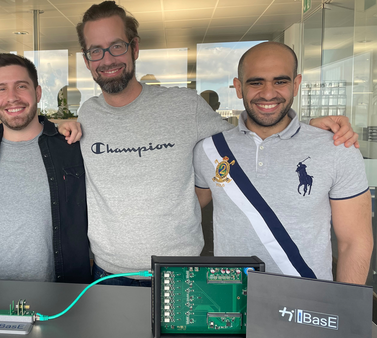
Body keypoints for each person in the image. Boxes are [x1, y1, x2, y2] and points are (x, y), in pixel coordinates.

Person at [65, 0, 359, 286]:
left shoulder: (184, 106)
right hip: (108, 273)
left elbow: (247, 137)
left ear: (135, 47)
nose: (107, 58)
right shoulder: (87, 114)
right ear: (86, 59)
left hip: (180, 273)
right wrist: (60, 126)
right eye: (95, 50)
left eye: (117, 46)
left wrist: (309, 130)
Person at [193, 42, 372, 284]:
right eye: (256, 82)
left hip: (309, 303)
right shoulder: (208, 150)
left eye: (280, 81)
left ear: (296, 85)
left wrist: (344, 310)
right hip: (233, 301)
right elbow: (182, 211)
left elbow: (354, 241)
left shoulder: (337, 148)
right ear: (238, 87)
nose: (268, 93)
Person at [0, 53, 91, 284]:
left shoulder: (70, 146)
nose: (12, 97)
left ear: (38, 92)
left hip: (62, 294)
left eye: (21, 86)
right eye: (1, 89)